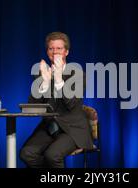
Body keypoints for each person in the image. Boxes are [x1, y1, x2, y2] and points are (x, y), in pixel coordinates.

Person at [20, 32, 93, 168]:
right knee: (27, 153)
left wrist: (59, 79)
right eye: (51, 48)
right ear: (47, 51)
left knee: (52, 155)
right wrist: (45, 82)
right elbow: (32, 106)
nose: (55, 52)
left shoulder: (78, 75)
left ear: (66, 52)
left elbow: (71, 104)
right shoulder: (42, 74)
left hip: (72, 129)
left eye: (59, 48)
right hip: (50, 127)